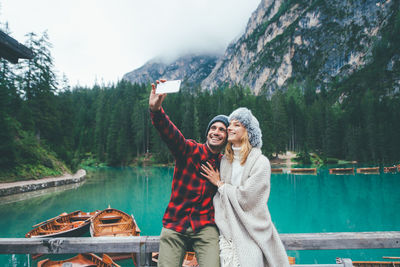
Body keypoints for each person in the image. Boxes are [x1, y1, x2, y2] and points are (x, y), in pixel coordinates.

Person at [149, 80, 229, 267]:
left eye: (222, 130)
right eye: (213, 128)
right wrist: (156, 110)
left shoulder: (226, 165)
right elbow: (169, 133)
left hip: (205, 225)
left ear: (226, 137)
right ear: (207, 132)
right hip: (175, 223)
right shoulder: (189, 150)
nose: (216, 132)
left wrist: (219, 182)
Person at [201, 107, 290, 267]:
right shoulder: (225, 161)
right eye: (230, 125)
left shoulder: (260, 162)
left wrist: (221, 185)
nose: (229, 128)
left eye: (236, 125)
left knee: (251, 259)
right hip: (227, 228)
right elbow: (219, 199)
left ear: (248, 132)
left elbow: (249, 197)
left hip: (252, 229)